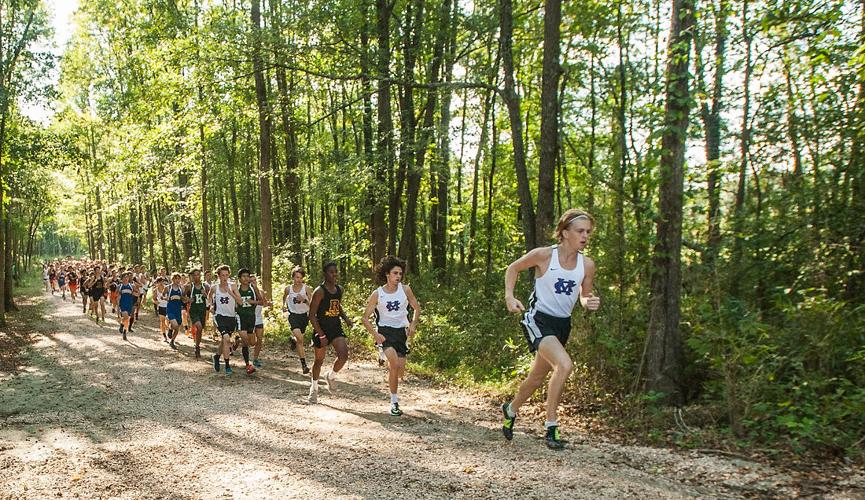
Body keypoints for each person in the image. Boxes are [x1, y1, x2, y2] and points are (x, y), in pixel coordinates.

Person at [500, 209, 601, 449]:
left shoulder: (587, 265)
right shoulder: (544, 256)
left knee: (536, 377)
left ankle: (510, 409)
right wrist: (509, 297)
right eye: (580, 231)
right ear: (565, 233)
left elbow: (584, 296)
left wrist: (590, 302)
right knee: (564, 365)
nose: (585, 236)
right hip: (538, 319)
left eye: (588, 231)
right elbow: (513, 268)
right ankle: (551, 426)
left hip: (562, 324)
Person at [361, 255, 421, 416]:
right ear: (387, 274)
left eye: (400, 274)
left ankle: (386, 359)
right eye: (395, 273)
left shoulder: (405, 289)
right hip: (385, 333)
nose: (398, 277)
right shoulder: (378, 294)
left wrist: (413, 324)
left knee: (400, 370)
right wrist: (375, 335)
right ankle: (394, 403)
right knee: (394, 364)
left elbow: (416, 307)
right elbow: (364, 318)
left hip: (401, 332)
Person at [307, 262, 354, 404]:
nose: (334, 274)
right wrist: (321, 334)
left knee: (343, 355)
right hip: (321, 328)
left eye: (336, 272)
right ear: (325, 274)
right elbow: (311, 315)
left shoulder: (339, 289)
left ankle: (331, 376)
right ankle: (314, 388)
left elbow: (336, 305)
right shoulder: (319, 291)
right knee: (319, 361)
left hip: (335, 327)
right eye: (331, 272)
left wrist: (346, 319)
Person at [208, 265, 244, 375]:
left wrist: (230, 293)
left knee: (225, 340)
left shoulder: (233, 286)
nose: (225, 277)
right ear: (218, 276)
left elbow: (240, 302)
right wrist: (210, 306)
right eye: (222, 275)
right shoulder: (214, 287)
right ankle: (227, 366)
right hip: (219, 316)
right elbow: (209, 297)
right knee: (226, 338)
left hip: (231, 317)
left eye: (227, 275)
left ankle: (217, 356)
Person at [282, 266, 311, 374]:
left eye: (300, 277)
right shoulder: (288, 289)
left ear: (303, 278)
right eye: (296, 277)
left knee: (299, 340)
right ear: (292, 278)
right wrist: (283, 306)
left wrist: (304, 300)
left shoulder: (306, 289)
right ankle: (304, 365)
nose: (298, 280)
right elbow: (284, 297)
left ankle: (293, 340)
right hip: (293, 315)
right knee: (300, 339)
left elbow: (312, 304)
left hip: (304, 316)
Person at [234, 269, 261, 374]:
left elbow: (262, 301)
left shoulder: (253, 288)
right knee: (246, 342)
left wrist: (252, 301)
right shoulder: (236, 289)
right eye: (243, 276)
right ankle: (248, 364)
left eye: (247, 276)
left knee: (252, 342)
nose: (246, 278)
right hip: (240, 317)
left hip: (251, 317)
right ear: (239, 278)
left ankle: (238, 340)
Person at [184, 269, 209, 359]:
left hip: (202, 310)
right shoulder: (189, 287)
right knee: (198, 326)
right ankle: (197, 347)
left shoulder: (205, 286)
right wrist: (188, 300)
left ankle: (197, 345)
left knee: (200, 329)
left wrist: (205, 294)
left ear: (200, 276)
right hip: (193, 310)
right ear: (191, 276)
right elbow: (183, 297)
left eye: (198, 275)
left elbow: (211, 298)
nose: (196, 277)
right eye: (194, 275)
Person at [249, 274, 268, 369]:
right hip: (249, 319)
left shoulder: (260, 291)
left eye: (254, 280)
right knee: (252, 342)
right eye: (251, 281)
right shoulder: (247, 292)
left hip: (259, 318)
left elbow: (264, 303)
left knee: (259, 340)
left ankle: (255, 359)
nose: (253, 282)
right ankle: (238, 340)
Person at [165, 273, 185, 349]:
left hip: (178, 309)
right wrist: (167, 298)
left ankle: (172, 340)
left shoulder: (181, 288)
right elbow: (163, 296)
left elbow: (183, 298)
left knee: (177, 327)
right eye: (176, 279)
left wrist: (182, 298)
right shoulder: (168, 287)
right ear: (172, 279)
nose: (177, 280)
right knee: (176, 326)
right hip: (170, 309)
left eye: (178, 279)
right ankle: (171, 336)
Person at [117, 272, 138, 341]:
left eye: (127, 277)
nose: (126, 279)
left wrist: (134, 293)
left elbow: (137, 293)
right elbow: (118, 296)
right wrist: (117, 306)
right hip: (123, 304)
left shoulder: (132, 286)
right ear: (122, 279)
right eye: (124, 277)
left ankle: (124, 331)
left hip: (130, 304)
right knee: (125, 317)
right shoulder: (120, 286)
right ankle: (122, 326)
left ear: (128, 278)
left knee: (127, 319)